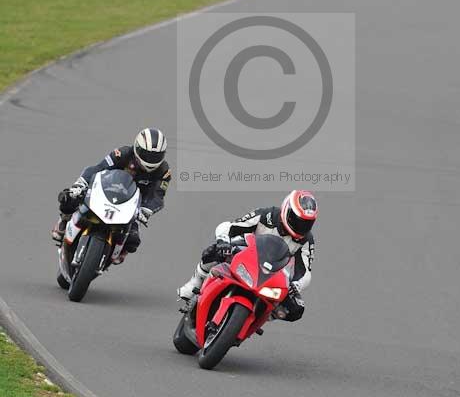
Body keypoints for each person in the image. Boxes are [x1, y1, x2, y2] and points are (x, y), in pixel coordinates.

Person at [177, 190, 317, 322]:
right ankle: (195, 283)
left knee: (296, 309)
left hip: (272, 273)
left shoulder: (306, 240)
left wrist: (297, 285)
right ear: (287, 210)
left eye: (306, 223)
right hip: (245, 254)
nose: (301, 226)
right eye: (298, 220)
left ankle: (259, 318)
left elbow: (305, 272)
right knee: (213, 251)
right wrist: (223, 241)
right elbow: (231, 226)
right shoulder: (266, 215)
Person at [51, 128, 171, 259]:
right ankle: (63, 219)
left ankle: (118, 252)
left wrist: (146, 211)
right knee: (69, 198)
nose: (150, 160)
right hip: (107, 190)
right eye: (147, 155)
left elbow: (158, 196)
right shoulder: (122, 153)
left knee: (133, 240)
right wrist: (80, 184)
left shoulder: (164, 172)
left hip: (133, 206)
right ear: (137, 148)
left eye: (155, 157)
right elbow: (98, 168)